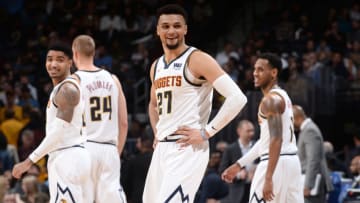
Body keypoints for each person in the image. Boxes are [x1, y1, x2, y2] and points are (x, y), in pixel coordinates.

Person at [142, 4, 247, 203]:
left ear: (185, 29)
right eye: (165, 26)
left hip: (187, 148)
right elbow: (153, 104)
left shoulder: (197, 59)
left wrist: (207, 132)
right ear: (157, 30)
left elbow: (238, 98)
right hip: (162, 148)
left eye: (176, 26)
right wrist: (157, 131)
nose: (171, 31)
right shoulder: (156, 66)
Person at [11, 43, 92, 202]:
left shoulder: (67, 90)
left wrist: (28, 162)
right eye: (50, 59)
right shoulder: (64, 88)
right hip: (72, 155)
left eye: (60, 60)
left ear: (70, 62)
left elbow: (58, 133)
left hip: (68, 156)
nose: (53, 64)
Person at [221, 53, 304, 202]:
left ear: (274, 73)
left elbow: (276, 140)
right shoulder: (283, 96)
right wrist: (239, 164)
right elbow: (266, 141)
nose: (255, 73)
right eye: (254, 69)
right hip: (292, 163)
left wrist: (268, 177)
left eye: (260, 69)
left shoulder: (270, 100)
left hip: (273, 163)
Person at [71, 34, 128, 202]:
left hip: (84, 148)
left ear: (75, 54)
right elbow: (123, 123)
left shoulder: (73, 81)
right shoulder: (113, 79)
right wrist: (116, 152)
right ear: (93, 52)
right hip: (109, 149)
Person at [293, 104, 334, 203]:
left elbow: (313, 160)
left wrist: (308, 185)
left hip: (313, 185)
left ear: (297, 118)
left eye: (291, 120)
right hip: (311, 182)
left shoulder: (309, 130)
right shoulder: (307, 130)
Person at [219, 119, 256, 203]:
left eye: (252, 130)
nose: (251, 133)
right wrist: (238, 175)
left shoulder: (257, 146)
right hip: (237, 191)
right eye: (248, 131)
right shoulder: (230, 149)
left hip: (255, 187)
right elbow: (222, 171)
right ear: (239, 131)